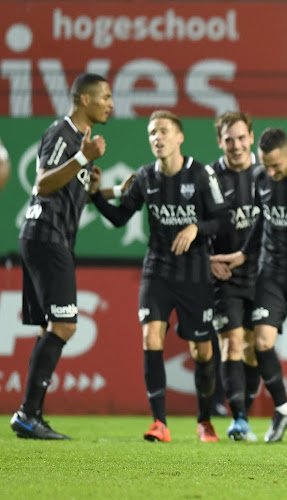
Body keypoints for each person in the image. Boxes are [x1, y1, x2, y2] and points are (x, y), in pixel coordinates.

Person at [89, 110, 227, 443]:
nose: (157, 137)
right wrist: (95, 194)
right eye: (152, 133)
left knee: (202, 352)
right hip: (158, 270)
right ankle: (159, 423)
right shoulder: (145, 177)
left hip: (194, 274)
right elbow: (122, 217)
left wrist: (196, 227)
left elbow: (222, 220)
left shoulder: (201, 174)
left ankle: (205, 420)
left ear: (180, 137)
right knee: (151, 336)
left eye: (164, 131)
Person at [10, 73, 127, 439]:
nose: (112, 103)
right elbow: (42, 182)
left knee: (50, 327)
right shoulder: (63, 134)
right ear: (84, 100)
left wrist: (97, 187)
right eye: (106, 96)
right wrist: (81, 157)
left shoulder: (77, 140)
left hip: (44, 236)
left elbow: (61, 185)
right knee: (65, 325)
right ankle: (28, 414)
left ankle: (31, 415)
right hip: (47, 236)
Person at [211, 127, 287, 445]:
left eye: (276, 165)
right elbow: (261, 222)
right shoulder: (262, 178)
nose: (270, 171)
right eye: (266, 165)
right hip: (271, 275)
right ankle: (282, 409)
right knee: (262, 343)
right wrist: (242, 254)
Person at [209, 111, 265, 441]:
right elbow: (191, 224)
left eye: (242, 138)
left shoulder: (266, 175)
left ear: (251, 138)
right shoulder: (208, 178)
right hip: (225, 276)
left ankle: (244, 408)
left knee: (255, 348)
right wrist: (206, 261)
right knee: (230, 343)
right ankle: (239, 418)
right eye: (229, 139)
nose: (236, 145)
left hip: (260, 276)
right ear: (220, 142)